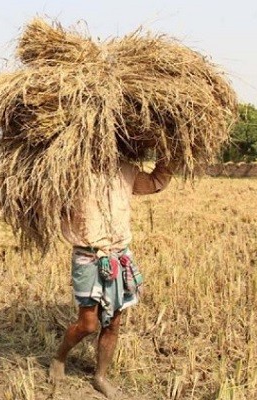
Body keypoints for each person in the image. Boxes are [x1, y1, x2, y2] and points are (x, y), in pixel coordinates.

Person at [49, 159, 174, 399]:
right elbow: (49, 197)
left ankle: (100, 376)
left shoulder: (126, 169)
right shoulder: (73, 169)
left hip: (120, 255)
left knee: (113, 323)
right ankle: (60, 356)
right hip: (88, 256)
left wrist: (170, 158)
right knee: (88, 324)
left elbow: (153, 183)